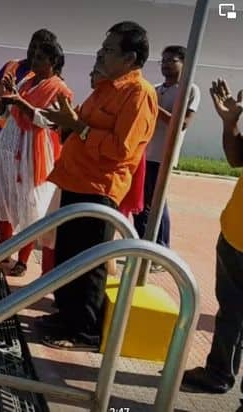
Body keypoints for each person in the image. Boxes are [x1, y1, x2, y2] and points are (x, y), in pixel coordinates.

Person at [39, 21, 158, 351]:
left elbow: (122, 149)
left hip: (99, 189)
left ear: (129, 57)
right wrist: (64, 121)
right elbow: (78, 122)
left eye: (108, 50)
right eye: (102, 48)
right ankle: (65, 315)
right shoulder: (105, 88)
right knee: (67, 255)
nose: (100, 55)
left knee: (89, 264)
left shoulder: (139, 95)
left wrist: (80, 128)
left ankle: (85, 331)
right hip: (75, 180)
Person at [0, 39, 72, 277]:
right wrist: (1, 97)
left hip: (32, 151)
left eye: (40, 58)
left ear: (53, 62)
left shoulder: (60, 89)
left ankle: (22, 261)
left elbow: (51, 121)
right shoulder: (27, 80)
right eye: (33, 57)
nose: (34, 61)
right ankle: (4, 254)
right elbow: (8, 110)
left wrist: (19, 101)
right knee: (6, 198)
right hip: (9, 145)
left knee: (31, 205)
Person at [181, 79, 243, 395]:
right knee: (231, 312)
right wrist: (230, 124)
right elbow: (237, 158)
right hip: (236, 234)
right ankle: (219, 372)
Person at [0, 29, 58, 227]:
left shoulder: (41, 78)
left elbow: (39, 114)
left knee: (13, 183)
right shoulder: (13, 65)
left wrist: (10, 97)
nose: (32, 52)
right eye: (31, 45)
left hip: (21, 140)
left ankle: (4, 228)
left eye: (38, 50)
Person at [133, 45, 200, 267]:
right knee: (142, 203)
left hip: (164, 156)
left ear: (184, 63)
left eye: (171, 60)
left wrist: (153, 109)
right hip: (144, 153)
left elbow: (181, 124)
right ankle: (145, 248)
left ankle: (161, 251)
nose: (165, 64)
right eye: (163, 60)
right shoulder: (155, 89)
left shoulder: (190, 90)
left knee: (157, 203)